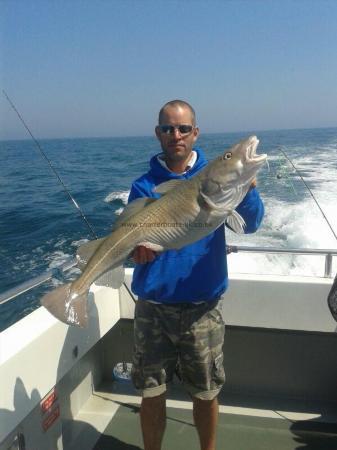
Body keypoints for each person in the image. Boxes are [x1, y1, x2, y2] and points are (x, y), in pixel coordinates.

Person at [128, 100, 264, 450]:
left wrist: (246, 186)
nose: (177, 135)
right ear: (158, 133)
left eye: (184, 128)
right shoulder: (144, 186)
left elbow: (250, 225)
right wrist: (137, 254)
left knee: (206, 394)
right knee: (151, 394)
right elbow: (135, 247)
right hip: (153, 309)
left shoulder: (214, 180)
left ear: (195, 132)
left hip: (203, 308)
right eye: (169, 128)